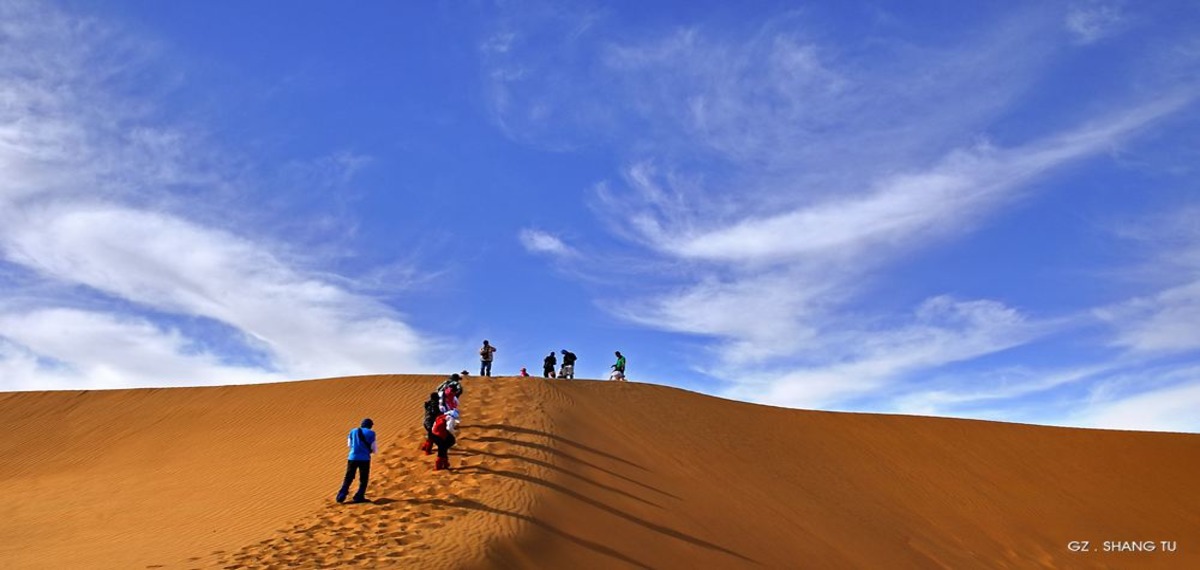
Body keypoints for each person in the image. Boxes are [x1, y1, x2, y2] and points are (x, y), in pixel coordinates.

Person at [336, 418, 377, 503]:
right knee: (364, 479)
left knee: (348, 477)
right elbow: (374, 449)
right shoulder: (371, 433)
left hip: (352, 458)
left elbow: (349, 444)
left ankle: (341, 495)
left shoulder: (353, 431)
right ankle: (359, 496)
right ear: (370, 425)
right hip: (365, 459)